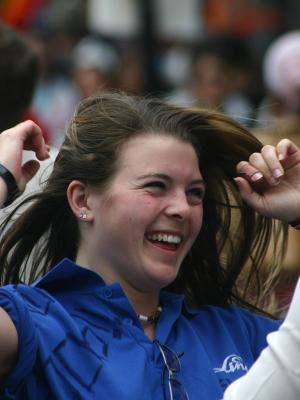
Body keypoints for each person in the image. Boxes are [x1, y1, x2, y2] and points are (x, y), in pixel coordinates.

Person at [0, 92, 299, 399]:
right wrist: (1, 177)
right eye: (156, 185)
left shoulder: (237, 333)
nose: (182, 208)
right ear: (82, 199)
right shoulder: (32, 324)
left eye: (195, 193)